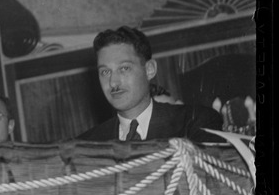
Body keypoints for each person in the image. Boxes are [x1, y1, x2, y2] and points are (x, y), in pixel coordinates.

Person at [77, 26, 223, 142]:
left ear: (149, 70)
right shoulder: (87, 144)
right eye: (105, 72)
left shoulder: (194, 123)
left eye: (124, 68)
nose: (113, 82)